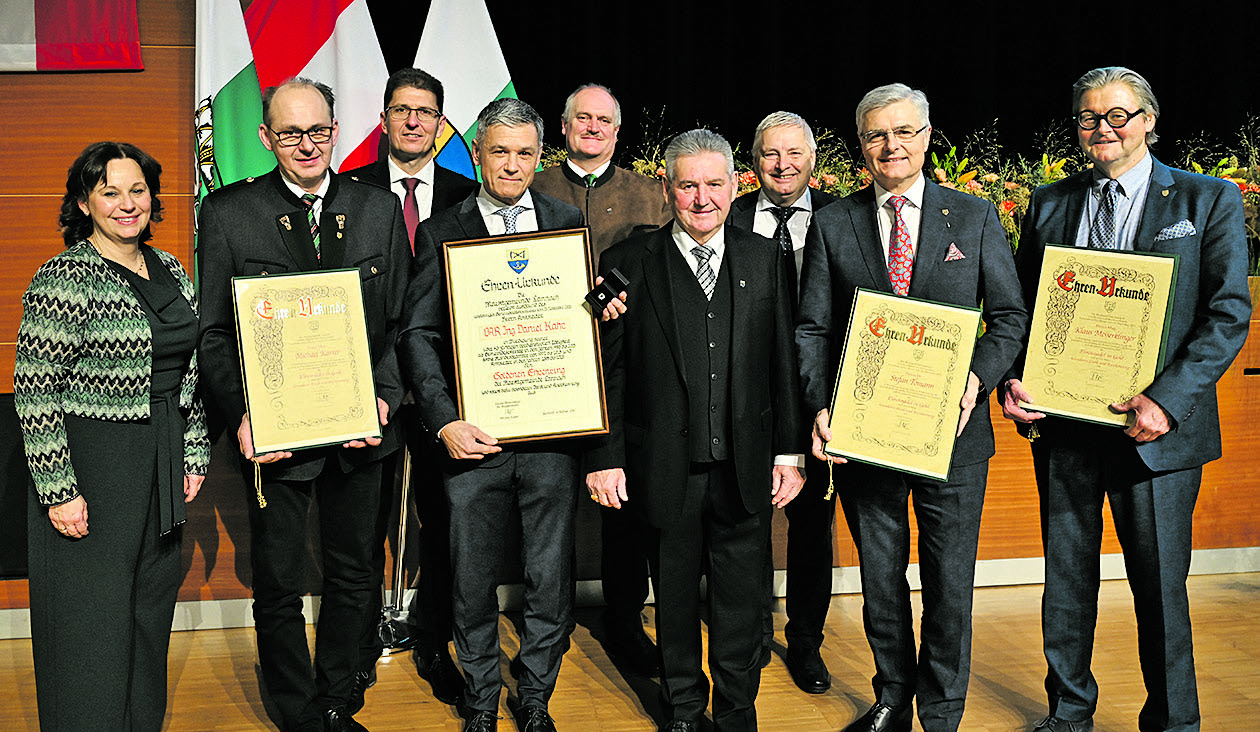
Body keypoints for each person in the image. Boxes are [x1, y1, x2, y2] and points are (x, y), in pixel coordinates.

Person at [1000, 66, 1251, 732]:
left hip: (1156, 431)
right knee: (1066, 586)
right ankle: (1068, 714)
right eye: (1089, 117)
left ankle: (1174, 722)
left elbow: (1228, 312)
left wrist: (1167, 400)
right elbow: (1022, 310)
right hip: (1067, 428)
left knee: (1161, 589)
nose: (1103, 128)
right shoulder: (1048, 203)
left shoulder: (1207, 200)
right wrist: (1014, 378)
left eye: (1118, 115)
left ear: (1149, 121)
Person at [796, 84, 1027, 732]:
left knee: (949, 583)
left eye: (903, 131)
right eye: (876, 134)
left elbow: (1009, 317)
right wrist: (820, 406)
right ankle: (893, 697)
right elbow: (813, 328)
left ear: (926, 137)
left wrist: (977, 379)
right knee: (880, 580)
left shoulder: (974, 216)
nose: (890, 145)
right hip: (866, 435)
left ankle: (942, 712)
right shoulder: (834, 223)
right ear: (861, 145)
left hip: (955, 437)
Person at [198, 77, 412, 732]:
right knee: (279, 582)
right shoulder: (228, 214)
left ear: (336, 132)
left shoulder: (378, 210)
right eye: (290, 132)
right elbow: (214, 334)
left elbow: (401, 323)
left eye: (318, 130)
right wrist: (243, 414)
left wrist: (384, 397)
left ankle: (337, 700)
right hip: (276, 435)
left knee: (354, 574)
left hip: (361, 430)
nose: (307, 144)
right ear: (266, 138)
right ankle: (298, 713)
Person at [585, 128, 806, 732]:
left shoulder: (764, 257)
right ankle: (683, 707)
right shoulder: (627, 263)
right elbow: (608, 370)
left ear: (735, 186)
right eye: (688, 186)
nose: (701, 198)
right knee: (675, 600)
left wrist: (789, 453)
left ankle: (736, 712)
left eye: (714, 184)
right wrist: (605, 456)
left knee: (741, 606)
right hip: (662, 467)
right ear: (667, 189)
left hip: (745, 467)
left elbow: (782, 364)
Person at [397, 97, 584, 732]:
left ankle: (535, 697)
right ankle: (480, 699)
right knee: (471, 580)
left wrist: (604, 308)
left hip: (551, 434)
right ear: (476, 153)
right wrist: (445, 420)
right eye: (498, 151)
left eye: (524, 153)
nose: (511, 164)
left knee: (548, 578)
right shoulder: (441, 229)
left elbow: (577, 320)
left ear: (540, 156)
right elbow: (419, 335)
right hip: (472, 438)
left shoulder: (565, 220)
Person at [15, 140, 209, 730]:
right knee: (89, 623)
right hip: (92, 464)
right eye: (110, 192)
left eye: (138, 190)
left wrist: (193, 450)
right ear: (84, 202)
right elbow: (35, 390)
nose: (127, 204)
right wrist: (59, 491)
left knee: (149, 611)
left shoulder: (171, 267)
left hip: (161, 458)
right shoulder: (63, 277)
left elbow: (190, 372)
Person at [342, 66, 476, 708]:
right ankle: (359, 644)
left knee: (444, 521)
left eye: (425, 111)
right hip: (365, 381)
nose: (413, 121)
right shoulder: (348, 190)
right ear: (384, 119)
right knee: (363, 523)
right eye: (402, 110)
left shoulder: (469, 195)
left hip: (445, 387)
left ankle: (433, 640)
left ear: (441, 122)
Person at [531, 82, 670, 675]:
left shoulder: (651, 195)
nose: (592, 127)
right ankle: (548, 622)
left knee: (624, 504)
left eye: (603, 120)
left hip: (625, 371)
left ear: (618, 131)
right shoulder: (532, 186)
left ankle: (624, 620)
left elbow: (667, 268)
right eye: (581, 118)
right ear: (563, 128)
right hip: (544, 366)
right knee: (547, 499)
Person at [727, 110, 837, 693]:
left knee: (812, 526)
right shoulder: (728, 215)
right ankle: (748, 634)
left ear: (813, 160)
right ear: (753, 161)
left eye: (794, 153)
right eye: (770, 153)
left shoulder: (843, 218)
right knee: (745, 518)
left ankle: (806, 642)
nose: (782, 164)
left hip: (820, 397)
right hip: (746, 396)